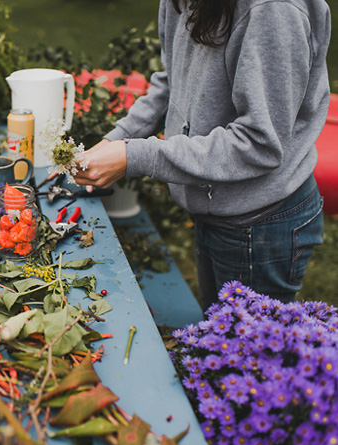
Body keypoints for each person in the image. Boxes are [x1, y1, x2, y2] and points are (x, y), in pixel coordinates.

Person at [73, 0, 331, 310]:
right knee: (215, 337)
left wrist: (134, 156)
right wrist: (114, 141)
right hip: (215, 206)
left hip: (260, 224)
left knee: (242, 355)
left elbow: (259, 143)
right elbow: (172, 81)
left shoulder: (274, 10)